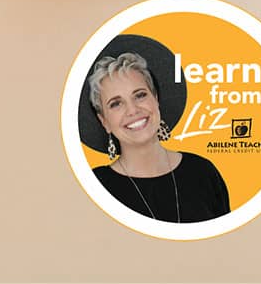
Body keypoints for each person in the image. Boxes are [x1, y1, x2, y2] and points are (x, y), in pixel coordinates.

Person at [79, 34, 230, 223]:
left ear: (156, 99)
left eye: (140, 95)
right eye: (116, 104)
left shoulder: (203, 172)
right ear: (104, 121)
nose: (133, 110)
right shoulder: (93, 186)